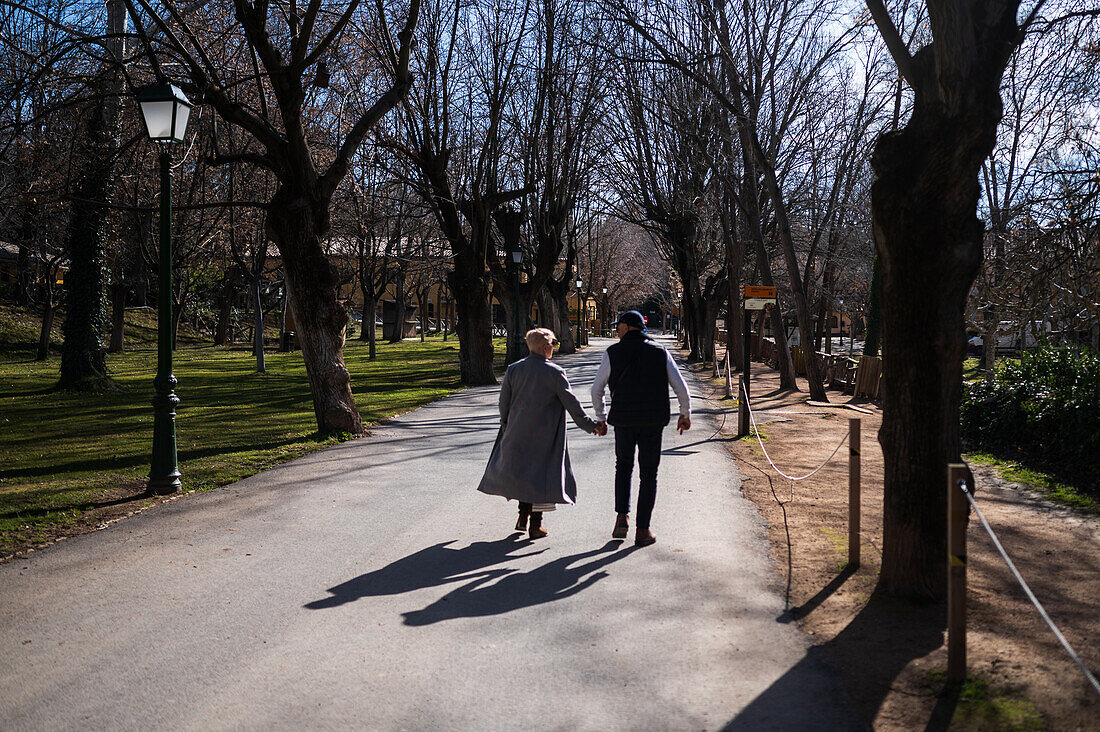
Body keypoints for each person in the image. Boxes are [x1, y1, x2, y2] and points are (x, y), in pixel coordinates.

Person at [478, 328, 606, 539]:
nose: (554, 349)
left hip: (517, 431)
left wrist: (506, 425)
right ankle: (536, 525)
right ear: (546, 348)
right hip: (545, 435)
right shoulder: (554, 372)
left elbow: (504, 403)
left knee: (524, 474)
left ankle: (522, 516)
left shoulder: (513, 369)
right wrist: (591, 425)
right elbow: (571, 404)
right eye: (553, 344)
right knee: (541, 478)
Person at [591, 310, 691, 546]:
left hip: (623, 420)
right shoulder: (660, 352)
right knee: (649, 475)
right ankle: (643, 530)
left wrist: (601, 417)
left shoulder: (613, 352)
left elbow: (596, 389)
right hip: (652, 421)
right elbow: (680, 385)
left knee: (623, 467)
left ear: (626, 327)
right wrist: (684, 413)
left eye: (619, 326)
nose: (617, 330)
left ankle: (621, 517)